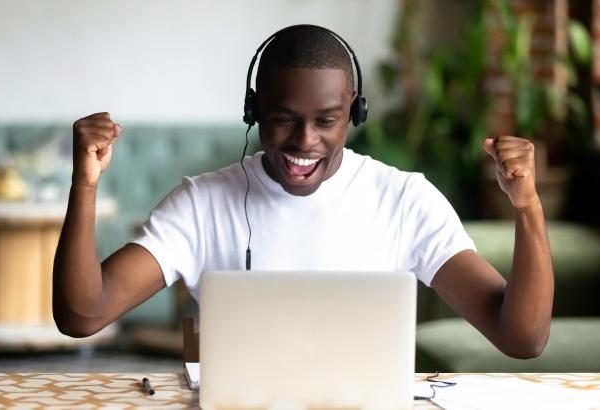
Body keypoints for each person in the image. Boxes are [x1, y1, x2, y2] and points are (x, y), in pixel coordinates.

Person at [53, 25, 553, 359]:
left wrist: (526, 207)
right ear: (255, 111)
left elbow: (521, 336)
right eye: (283, 119)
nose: (304, 142)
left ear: (354, 112)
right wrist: (85, 185)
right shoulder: (203, 204)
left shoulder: (404, 200)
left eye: (327, 121)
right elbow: (82, 315)